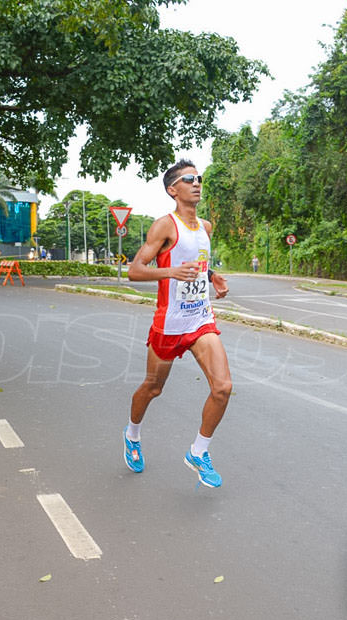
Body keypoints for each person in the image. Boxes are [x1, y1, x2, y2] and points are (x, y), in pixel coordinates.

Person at [123, 160, 231, 488]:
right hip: (169, 323)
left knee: (223, 388)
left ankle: (198, 452)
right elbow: (135, 270)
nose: (197, 183)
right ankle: (132, 435)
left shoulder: (207, 227)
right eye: (189, 179)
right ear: (174, 189)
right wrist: (169, 272)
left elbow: (197, 264)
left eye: (199, 178)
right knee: (153, 388)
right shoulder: (164, 226)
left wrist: (212, 277)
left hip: (200, 318)